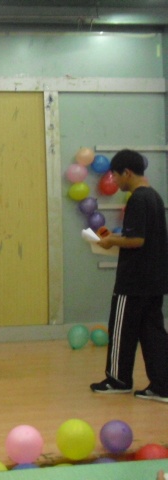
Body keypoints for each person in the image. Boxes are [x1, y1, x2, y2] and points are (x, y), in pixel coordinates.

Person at [90, 149, 168, 403]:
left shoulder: (137, 199)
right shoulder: (154, 197)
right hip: (154, 280)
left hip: (133, 281)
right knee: (153, 334)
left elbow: (136, 240)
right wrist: (116, 238)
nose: (114, 181)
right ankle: (162, 385)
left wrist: (110, 240)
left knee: (121, 330)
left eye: (115, 175)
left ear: (127, 173)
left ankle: (118, 379)